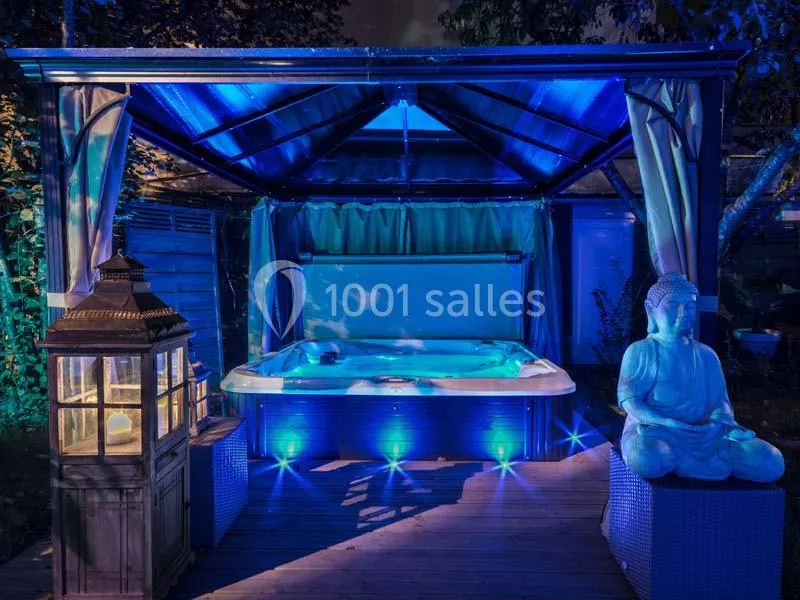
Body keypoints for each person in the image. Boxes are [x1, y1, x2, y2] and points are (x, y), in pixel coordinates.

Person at [618, 272, 784, 482]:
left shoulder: (706, 355)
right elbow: (631, 403)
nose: (682, 314)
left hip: (707, 435)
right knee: (644, 457)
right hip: (659, 431)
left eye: (689, 306)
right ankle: (694, 463)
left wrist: (715, 423)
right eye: (672, 306)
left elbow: (720, 403)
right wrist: (668, 422)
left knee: (771, 462)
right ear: (651, 310)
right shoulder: (641, 351)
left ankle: (685, 462)